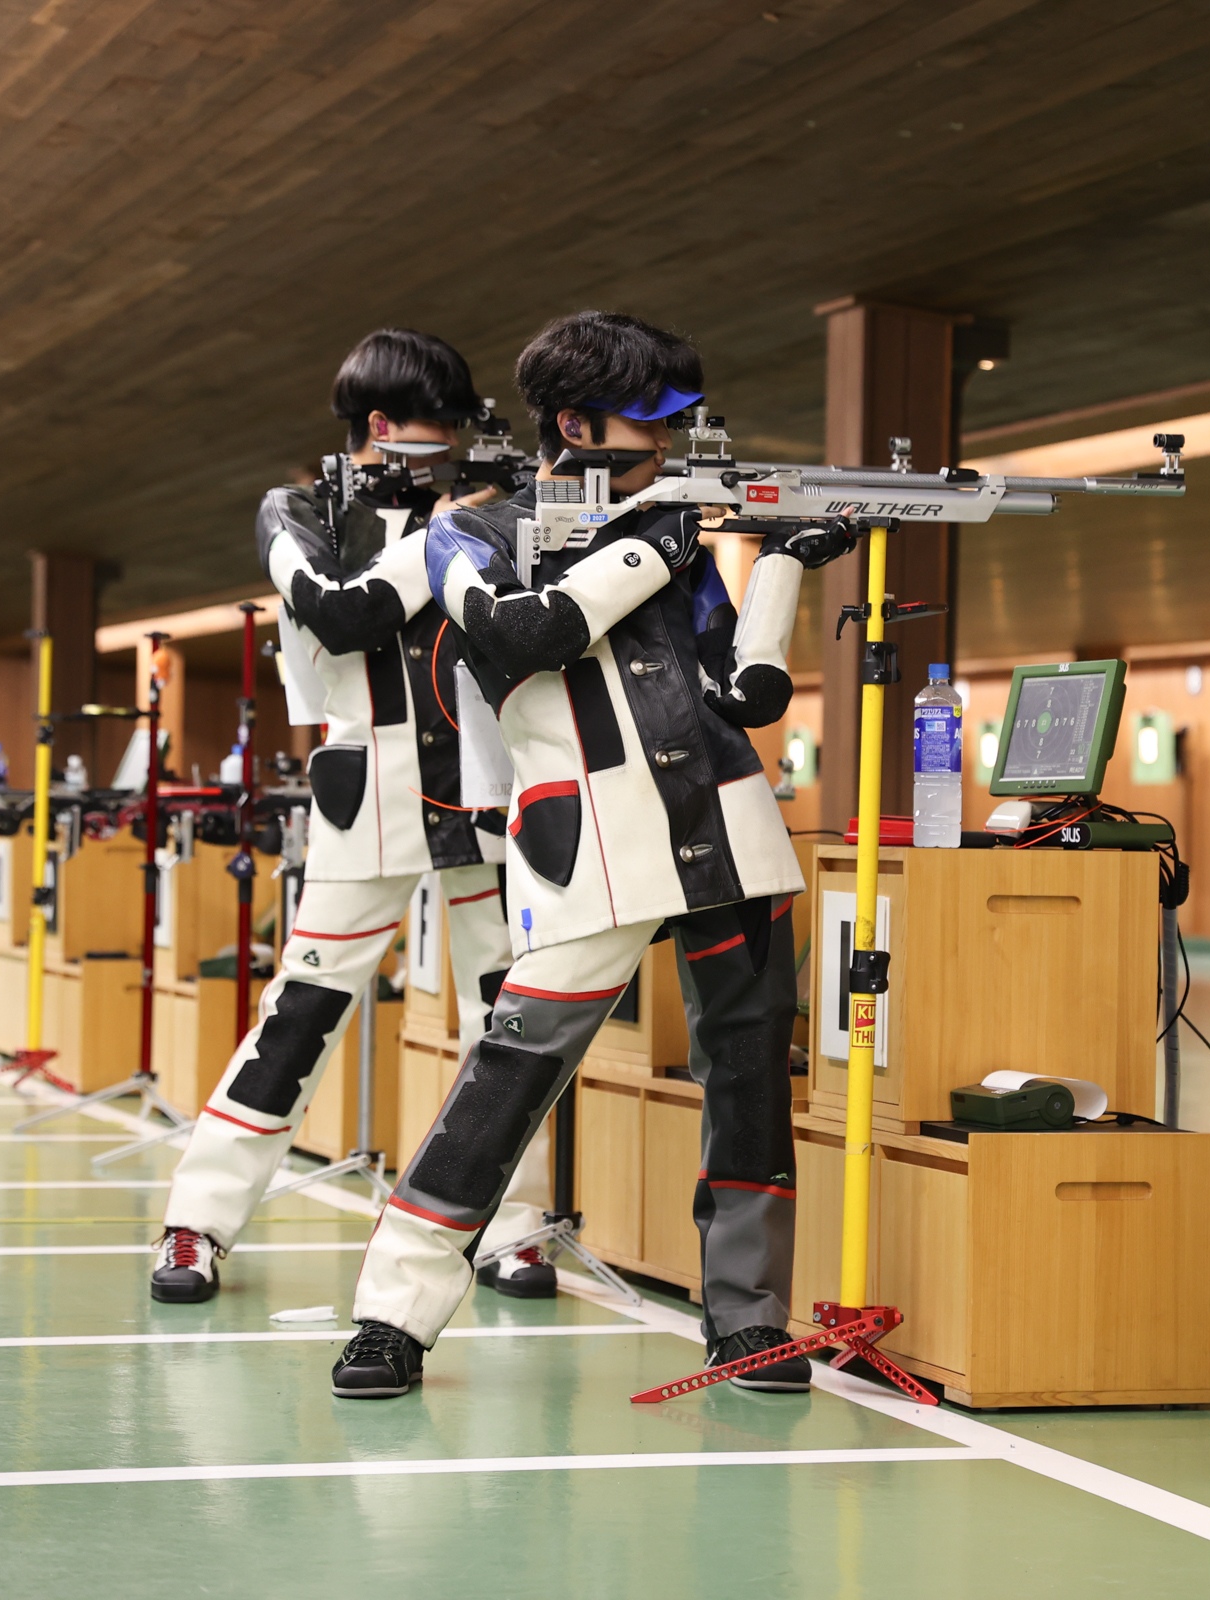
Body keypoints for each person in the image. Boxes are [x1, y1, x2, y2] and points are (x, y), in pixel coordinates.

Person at [330, 311, 856, 1398]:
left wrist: (781, 567)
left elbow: (745, 692)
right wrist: (656, 543)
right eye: (648, 420)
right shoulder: (471, 535)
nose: (668, 442)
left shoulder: (670, 535)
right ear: (574, 425)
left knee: (752, 1079)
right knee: (509, 1073)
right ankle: (392, 1313)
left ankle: (749, 1320)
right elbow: (526, 633)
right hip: (592, 843)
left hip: (730, 829)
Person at [150, 329, 555, 1305]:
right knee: (302, 1011)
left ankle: (515, 1226)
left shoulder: (485, 506)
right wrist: (458, 531)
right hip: (368, 790)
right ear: (380, 424)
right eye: (432, 429)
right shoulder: (299, 510)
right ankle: (196, 1222)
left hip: (481, 787)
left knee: (507, 1019)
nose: (447, 447)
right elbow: (338, 613)